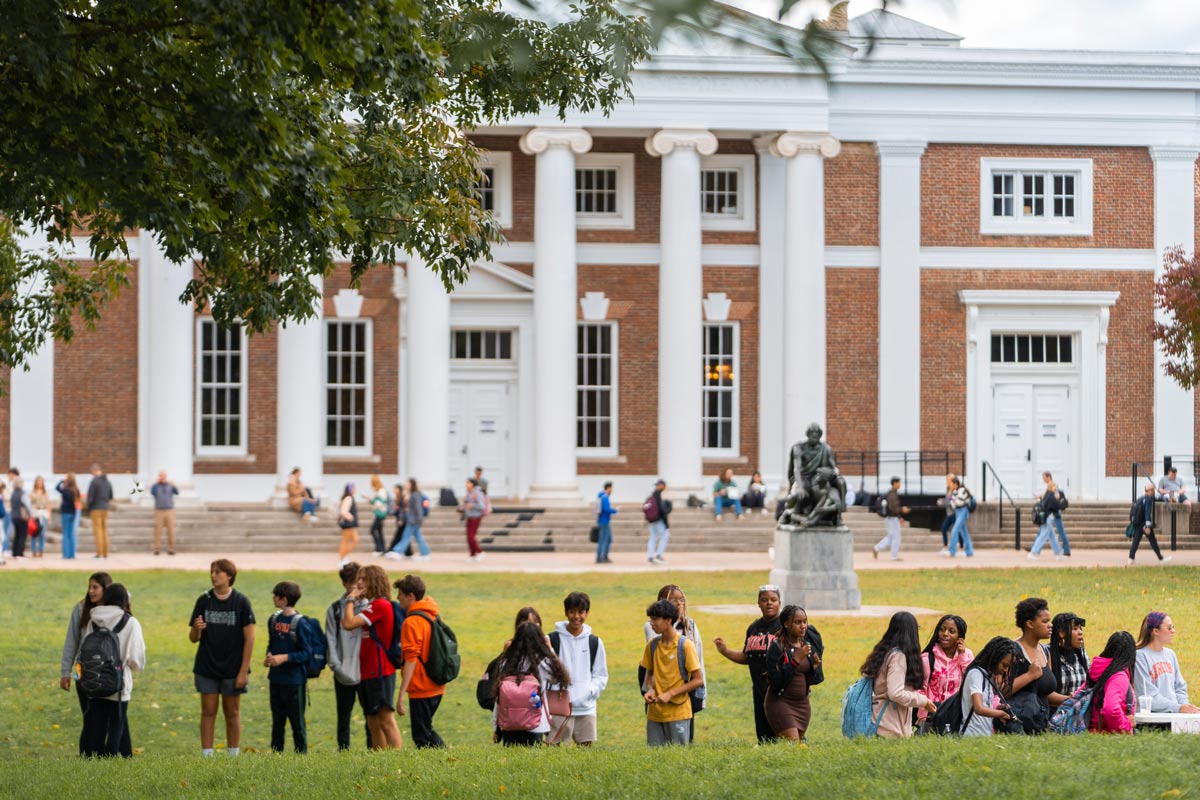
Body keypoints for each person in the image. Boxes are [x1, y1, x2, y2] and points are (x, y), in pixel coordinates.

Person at [189, 558, 256, 756]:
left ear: (229, 576)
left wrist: (243, 671)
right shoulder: (204, 600)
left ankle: (233, 756)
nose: (213, 575)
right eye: (212, 571)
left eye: (218, 572)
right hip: (207, 666)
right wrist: (196, 629)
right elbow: (193, 639)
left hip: (233, 667)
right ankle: (207, 755)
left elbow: (250, 638)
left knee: (232, 712)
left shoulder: (241, 602)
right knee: (208, 711)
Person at [61, 572, 130, 755]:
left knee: (118, 717)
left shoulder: (117, 613)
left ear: (106, 590)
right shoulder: (81, 609)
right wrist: (65, 673)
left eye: (95, 587)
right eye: (89, 587)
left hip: (109, 673)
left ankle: (124, 755)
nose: (91, 591)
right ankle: (87, 756)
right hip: (83, 671)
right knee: (89, 717)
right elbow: (71, 643)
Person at [340, 564, 404, 750]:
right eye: (358, 578)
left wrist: (350, 600)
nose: (358, 583)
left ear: (374, 581)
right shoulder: (372, 605)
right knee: (372, 721)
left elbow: (349, 623)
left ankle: (398, 759)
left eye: (363, 579)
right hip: (368, 670)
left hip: (380, 670)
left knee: (385, 719)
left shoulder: (380, 605)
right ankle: (380, 761)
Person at [79, 583, 145, 757]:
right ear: (124, 600)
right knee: (117, 726)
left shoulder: (93, 621)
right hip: (119, 684)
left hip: (95, 683)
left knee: (98, 728)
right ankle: (111, 762)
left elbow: (86, 650)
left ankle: (99, 761)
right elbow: (136, 660)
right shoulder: (130, 622)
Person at [713, 584, 782, 742]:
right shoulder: (753, 628)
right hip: (759, 692)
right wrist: (725, 650)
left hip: (780, 694)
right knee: (764, 738)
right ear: (758, 603)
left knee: (783, 737)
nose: (769, 603)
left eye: (773, 599)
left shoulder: (784, 627)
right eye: (764, 600)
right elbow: (747, 657)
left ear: (780, 602)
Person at [643, 584, 706, 741]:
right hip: (655, 713)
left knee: (678, 757)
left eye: (655, 619)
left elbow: (698, 679)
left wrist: (670, 693)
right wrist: (650, 690)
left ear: (668, 620)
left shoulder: (685, 645)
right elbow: (648, 675)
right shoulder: (652, 645)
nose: (651, 623)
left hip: (679, 711)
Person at [492, 621, 571, 745]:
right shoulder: (543, 662)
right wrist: (549, 648)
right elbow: (558, 678)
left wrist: (496, 726)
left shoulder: (507, 662)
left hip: (509, 724)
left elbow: (499, 697)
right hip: (536, 724)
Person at [860, 611, 936, 739]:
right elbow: (895, 693)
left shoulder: (886, 652)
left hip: (882, 722)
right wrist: (923, 701)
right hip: (889, 728)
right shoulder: (898, 657)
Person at [549, 592, 609, 746]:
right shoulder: (552, 640)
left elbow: (600, 675)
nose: (576, 616)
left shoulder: (594, 642)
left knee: (586, 754)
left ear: (587, 613)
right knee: (554, 754)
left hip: (586, 708)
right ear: (566, 612)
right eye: (572, 611)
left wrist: (589, 691)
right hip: (558, 708)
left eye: (581, 612)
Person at [396, 573, 448, 747]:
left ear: (411, 596)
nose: (397, 598)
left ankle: (445, 761)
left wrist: (402, 693)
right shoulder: (433, 615)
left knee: (422, 735)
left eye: (401, 595)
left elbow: (411, 659)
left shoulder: (412, 622)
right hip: (437, 683)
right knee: (425, 730)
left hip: (421, 686)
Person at [326, 562, 372, 750]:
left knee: (371, 716)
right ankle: (344, 752)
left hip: (365, 670)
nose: (354, 586)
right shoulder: (335, 608)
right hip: (343, 670)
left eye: (358, 581)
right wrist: (336, 666)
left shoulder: (369, 606)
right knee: (343, 717)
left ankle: (374, 751)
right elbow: (330, 638)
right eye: (350, 582)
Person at [264, 580, 312, 753]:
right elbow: (273, 642)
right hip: (275, 680)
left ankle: (301, 755)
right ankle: (277, 756)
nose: (273, 598)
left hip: (294, 682)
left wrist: (284, 658)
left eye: (275, 596)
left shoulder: (301, 623)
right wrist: (269, 655)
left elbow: (307, 653)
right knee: (277, 722)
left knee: (297, 723)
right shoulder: (273, 619)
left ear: (283, 599)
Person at [764, 605, 820, 741]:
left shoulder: (806, 645)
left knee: (796, 751)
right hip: (780, 702)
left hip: (802, 705)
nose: (803, 626)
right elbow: (776, 682)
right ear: (786, 624)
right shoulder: (777, 647)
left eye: (805, 622)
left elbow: (809, 680)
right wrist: (796, 660)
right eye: (797, 622)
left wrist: (814, 667)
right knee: (792, 745)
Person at [1004, 597, 1060, 734]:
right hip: (1019, 727)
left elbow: (1046, 693)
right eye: (1045, 621)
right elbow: (1000, 691)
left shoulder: (1045, 651)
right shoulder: (1012, 651)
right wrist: (1029, 676)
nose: (1051, 625)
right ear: (1030, 624)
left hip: (1041, 725)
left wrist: (1070, 699)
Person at [1134, 611, 1199, 714]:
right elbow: (1147, 695)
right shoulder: (1140, 657)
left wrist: (1185, 707)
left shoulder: (1170, 654)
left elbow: (1180, 687)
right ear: (1156, 631)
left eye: (1173, 627)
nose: (1173, 631)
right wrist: (1177, 708)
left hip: (1174, 715)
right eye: (1169, 628)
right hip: (1153, 718)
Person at [958, 637, 1017, 737]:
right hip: (971, 735)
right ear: (995, 658)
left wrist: (999, 707)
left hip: (984, 735)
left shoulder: (987, 676)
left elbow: (984, 705)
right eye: (1004, 665)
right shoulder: (976, 674)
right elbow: (979, 708)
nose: (1006, 670)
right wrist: (1000, 714)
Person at [920, 614, 973, 721]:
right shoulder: (927, 658)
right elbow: (918, 689)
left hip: (957, 715)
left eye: (951, 631)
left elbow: (972, 681)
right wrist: (925, 706)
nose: (945, 634)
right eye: (942, 630)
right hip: (931, 715)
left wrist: (962, 656)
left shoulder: (967, 655)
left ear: (960, 637)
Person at [1087, 631, 1136, 734]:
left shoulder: (1096, 671)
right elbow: (1111, 709)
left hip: (1091, 734)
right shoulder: (1118, 677)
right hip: (1110, 737)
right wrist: (1126, 724)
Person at [1047, 612, 1089, 702]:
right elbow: (1045, 693)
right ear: (1062, 633)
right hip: (1055, 713)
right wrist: (1069, 699)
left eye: (1081, 629)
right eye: (1075, 629)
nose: (1080, 632)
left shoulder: (1082, 655)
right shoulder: (1048, 654)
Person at [387, 478, 431, 561]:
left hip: (414, 520)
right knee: (418, 537)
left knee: (406, 536)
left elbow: (418, 508)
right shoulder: (409, 494)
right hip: (410, 519)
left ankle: (397, 552)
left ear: (412, 484)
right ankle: (425, 553)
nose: (406, 485)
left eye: (408, 484)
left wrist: (419, 519)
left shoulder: (416, 494)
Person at [1129, 482, 1171, 566]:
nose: (1154, 492)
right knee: (1153, 541)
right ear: (1150, 490)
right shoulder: (1148, 499)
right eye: (1153, 490)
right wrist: (1147, 526)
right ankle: (1161, 558)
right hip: (1144, 524)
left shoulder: (1141, 498)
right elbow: (1147, 513)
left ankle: (1131, 559)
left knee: (1136, 541)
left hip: (1138, 524)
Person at [1029, 472, 1069, 560]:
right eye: (1056, 488)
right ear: (1053, 488)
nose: (1057, 491)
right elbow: (1055, 507)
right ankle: (1033, 552)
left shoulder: (1048, 495)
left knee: (1052, 536)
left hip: (1046, 517)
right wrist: (1060, 502)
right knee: (1043, 536)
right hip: (1047, 518)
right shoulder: (1051, 496)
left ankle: (1058, 554)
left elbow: (1046, 503)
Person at [873, 476, 910, 561]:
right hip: (892, 519)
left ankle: (877, 548)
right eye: (898, 482)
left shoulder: (892, 493)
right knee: (896, 537)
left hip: (891, 518)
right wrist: (902, 510)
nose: (900, 484)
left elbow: (893, 508)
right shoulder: (892, 494)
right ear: (894, 483)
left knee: (891, 537)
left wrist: (900, 517)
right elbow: (893, 508)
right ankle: (894, 556)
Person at [86, 464, 114, 559]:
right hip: (105, 507)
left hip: (96, 508)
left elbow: (90, 496)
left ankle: (99, 553)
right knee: (104, 530)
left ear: (94, 472)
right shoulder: (108, 481)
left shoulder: (94, 481)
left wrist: (88, 506)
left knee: (98, 531)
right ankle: (106, 553)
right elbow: (111, 495)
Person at [150, 470, 179, 556]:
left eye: (164, 476)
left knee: (171, 530)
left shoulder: (170, 485)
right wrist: (156, 483)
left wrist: (174, 485)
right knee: (157, 530)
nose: (162, 477)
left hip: (169, 510)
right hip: (159, 510)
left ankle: (171, 549)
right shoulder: (156, 486)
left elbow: (177, 492)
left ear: (166, 477)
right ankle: (157, 549)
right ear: (159, 476)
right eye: (161, 476)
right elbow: (152, 492)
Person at [946, 475, 974, 558]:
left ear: (955, 483)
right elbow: (953, 504)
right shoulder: (954, 491)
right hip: (958, 512)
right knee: (964, 532)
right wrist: (952, 498)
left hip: (963, 511)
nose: (949, 485)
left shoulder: (962, 490)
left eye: (950, 483)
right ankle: (969, 552)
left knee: (954, 530)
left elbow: (958, 502)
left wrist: (952, 500)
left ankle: (952, 551)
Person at [646, 479, 672, 565]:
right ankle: (658, 555)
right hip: (658, 520)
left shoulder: (652, 495)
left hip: (651, 520)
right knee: (665, 535)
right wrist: (666, 524)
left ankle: (650, 557)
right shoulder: (658, 495)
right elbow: (662, 510)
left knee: (653, 537)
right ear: (662, 485)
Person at [460, 477, 486, 560]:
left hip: (476, 517)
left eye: (468, 483)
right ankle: (472, 554)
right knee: (469, 537)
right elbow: (466, 504)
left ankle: (480, 551)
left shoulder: (477, 493)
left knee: (471, 536)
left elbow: (482, 506)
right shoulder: (469, 493)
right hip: (469, 517)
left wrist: (472, 506)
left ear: (472, 484)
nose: (466, 484)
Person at [57, 474, 81, 560]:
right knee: (71, 534)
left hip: (66, 513)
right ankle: (72, 554)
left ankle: (66, 554)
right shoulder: (76, 490)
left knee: (66, 534)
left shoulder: (65, 490)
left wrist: (62, 480)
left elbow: (57, 487)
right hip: (73, 513)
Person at [336, 482, 359, 568]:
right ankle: (342, 559)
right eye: (353, 488)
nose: (355, 490)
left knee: (352, 540)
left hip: (350, 524)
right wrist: (350, 517)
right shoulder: (348, 498)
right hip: (348, 524)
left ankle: (344, 557)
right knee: (348, 540)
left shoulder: (349, 498)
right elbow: (343, 511)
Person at [365, 475, 389, 555]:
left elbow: (380, 503)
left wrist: (373, 502)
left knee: (372, 530)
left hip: (380, 513)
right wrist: (370, 500)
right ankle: (382, 549)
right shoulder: (377, 491)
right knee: (379, 531)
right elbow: (375, 501)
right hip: (378, 513)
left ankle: (379, 549)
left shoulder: (381, 491)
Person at [595, 481, 616, 564]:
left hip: (604, 521)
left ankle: (604, 556)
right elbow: (606, 509)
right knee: (603, 539)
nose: (612, 490)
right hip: (604, 521)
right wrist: (615, 510)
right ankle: (600, 557)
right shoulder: (605, 497)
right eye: (611, 488)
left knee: (608, 539)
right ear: (608, 488)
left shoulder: (602, 496)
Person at [9, 477, 30, 559]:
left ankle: (14, 552)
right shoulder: (23, 493)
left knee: (17, 535)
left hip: (14, 516)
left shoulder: (13, 493)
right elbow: (28, 505)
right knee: (22, 535)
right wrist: (31, 514)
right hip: (22, 517)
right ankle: (20, 553)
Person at [29, 476, 50, 558]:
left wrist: (49, 514)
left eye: (41, 482)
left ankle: (41, 549)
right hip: (35, 513)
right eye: (38, 481)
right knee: (34, 532)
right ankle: (33, 550)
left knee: (42, 532)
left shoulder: (45, 493)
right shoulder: (32, 493)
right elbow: (29, 504)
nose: (39, 483)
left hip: (43, 513)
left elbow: (48, 504)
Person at [935, 473, 956, 556]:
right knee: (944, 529)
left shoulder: (955, 490)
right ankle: (945, 547)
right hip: (949, 513)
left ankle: (962, 548)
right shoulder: (948, 489)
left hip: (954, 513)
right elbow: (948, 500)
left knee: (956, 531)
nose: (947, 482)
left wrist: (943, 502)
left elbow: (951, 501)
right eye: (946, 480)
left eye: (948, 480)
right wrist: (942, 501)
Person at [386, 482, 407, 555]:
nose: (394, 490)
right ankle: (408, 553)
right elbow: (398, 510)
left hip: (403, 520)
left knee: (398, 536)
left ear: (399, 489)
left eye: (395, 489)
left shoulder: (402, 498)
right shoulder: (398, 498)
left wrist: (401, 519)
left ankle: (390, 550)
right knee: (401, 536)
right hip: (400, 519)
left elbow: (402, 510)